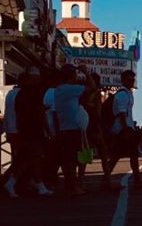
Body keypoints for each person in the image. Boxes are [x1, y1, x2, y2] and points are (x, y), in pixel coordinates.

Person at [54, 64, 95, 195]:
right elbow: (92, 87)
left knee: (67, 159)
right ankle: (74, 187)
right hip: (73, 128)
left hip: (64, 127)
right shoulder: (71, 89)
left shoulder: (59, 89)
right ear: (72, 76)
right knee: (75, 159)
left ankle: (69, 186)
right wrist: (86, 73)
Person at [107, 70, 142, 189]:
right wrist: (126, 131)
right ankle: (106, 180)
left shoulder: (128, 93)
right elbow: (121, 114)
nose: (132, 82)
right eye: (130, 80)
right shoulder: (122, 94)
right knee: (118, 155)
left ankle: (136, 179)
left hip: (127, 127)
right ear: (124, 80)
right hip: (122, 129)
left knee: (130, 153)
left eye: (133, 80)